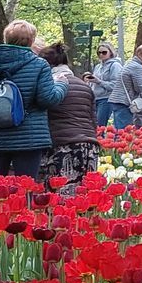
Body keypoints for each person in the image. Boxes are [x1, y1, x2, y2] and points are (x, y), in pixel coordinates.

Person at [0, 19, 63, 178]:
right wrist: (61, 85)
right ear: (31, 41)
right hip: (28, 137)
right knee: (25, 187)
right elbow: (47, 99)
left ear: (6, 39)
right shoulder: (39, 65)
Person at [39, 42, 99, 186]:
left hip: (62, 145)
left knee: (60, 197)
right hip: (88, 146)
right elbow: (93, 120)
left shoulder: (49, 86)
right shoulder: (84, 86)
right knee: (84, 197)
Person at [91, 42, 121, 127]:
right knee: (94, 124)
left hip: (107, 98)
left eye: (104, 52)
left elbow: (115, 85)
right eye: (99, 53)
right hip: (96, 98)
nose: (101, 55)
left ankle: (102, 139)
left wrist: (99, 82)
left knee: (100, 124)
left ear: (110, 52)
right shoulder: (97, 67)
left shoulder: (115, 66)